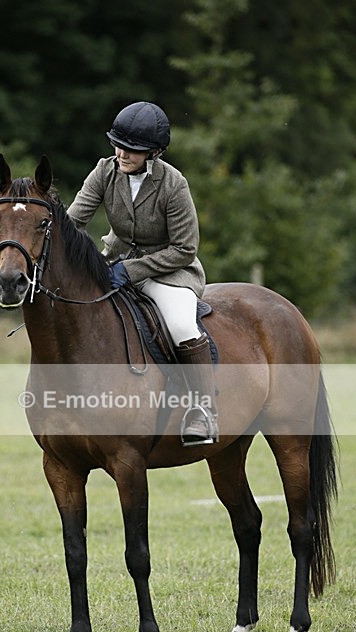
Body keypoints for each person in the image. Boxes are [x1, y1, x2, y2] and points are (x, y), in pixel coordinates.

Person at [67, 101, 218, 446]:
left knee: (181, 325)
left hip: (169, 272)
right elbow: (72, 222)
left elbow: (184, 249)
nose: (121, 154)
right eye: (118, 145)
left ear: (153, 152)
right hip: (114, 263)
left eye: (132, 150)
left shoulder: (173, 184)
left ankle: (203, 410)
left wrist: (131, 269)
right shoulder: (104, 171)